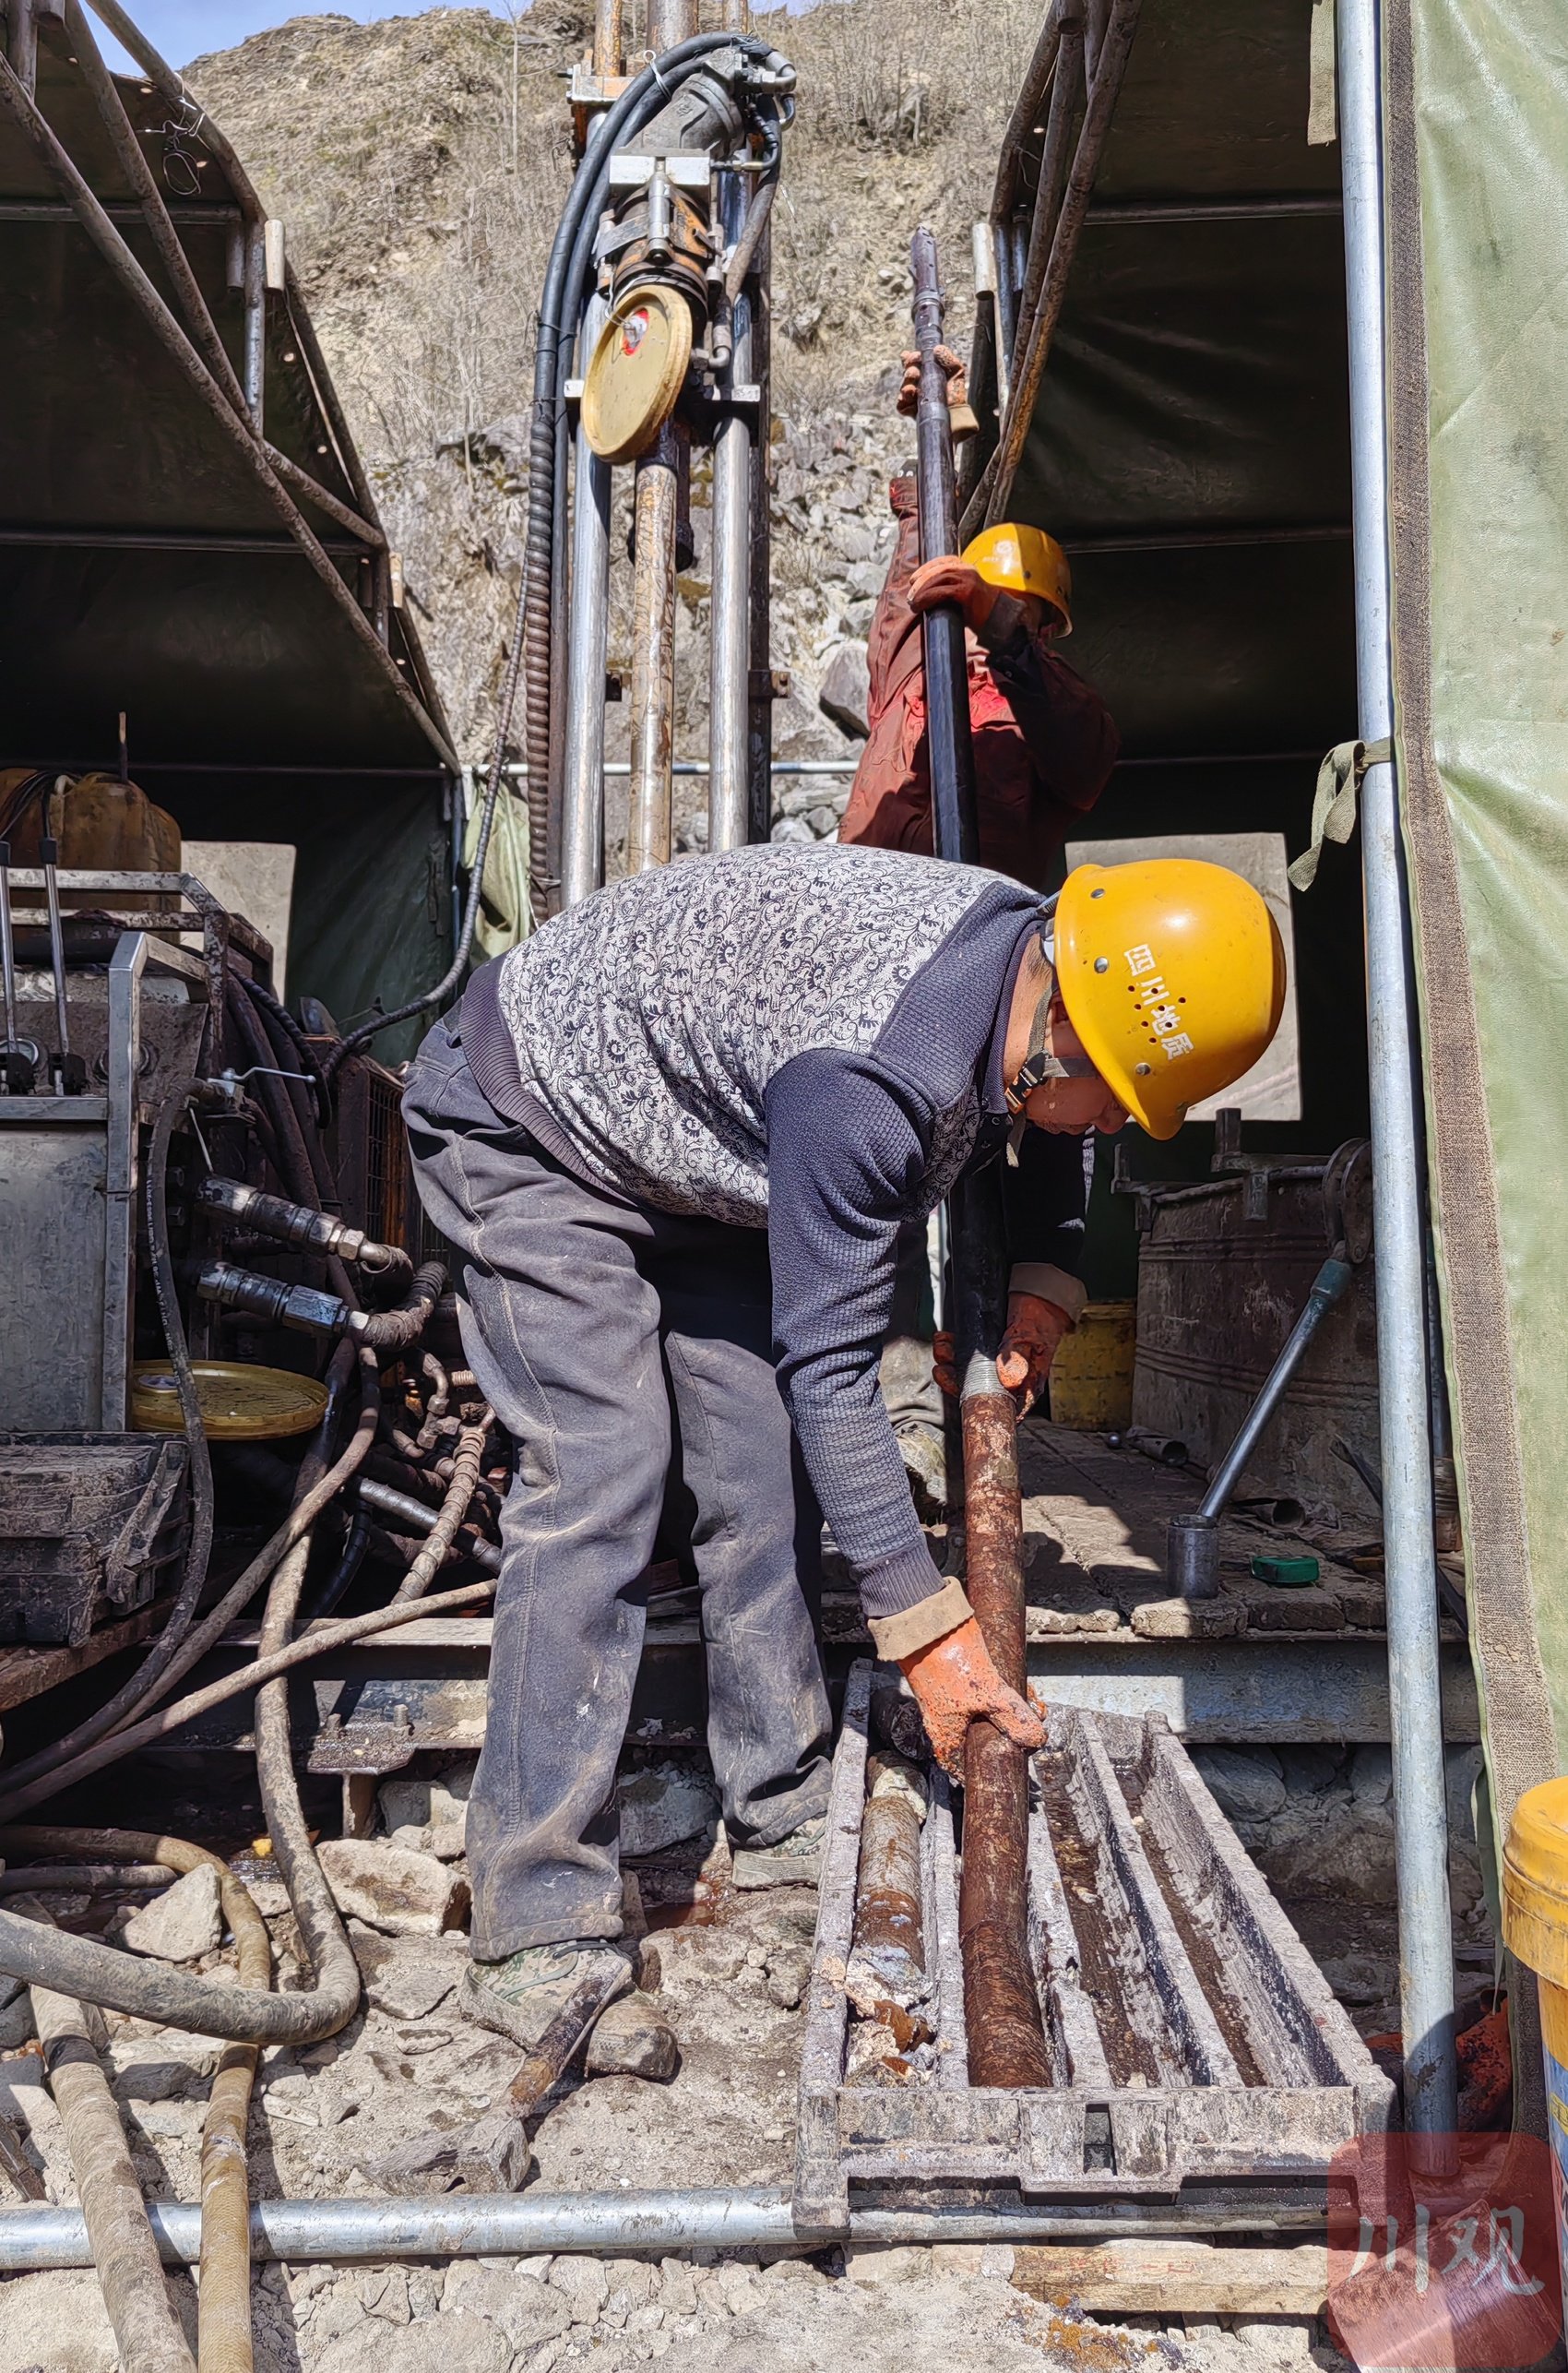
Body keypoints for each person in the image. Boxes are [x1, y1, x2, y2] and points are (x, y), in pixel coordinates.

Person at [403, 841, 1285, 2051]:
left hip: (699, 1156)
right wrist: (922, 1626)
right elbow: (837, 1371)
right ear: (1061, 1033)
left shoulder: (1040, 959)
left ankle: (776, 1812)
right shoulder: (876, 1080)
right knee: (606, 1464)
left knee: (758, 1469)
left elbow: (1058, 1134)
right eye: (1122, 1101)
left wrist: (1043, 1291)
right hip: (529, 1121)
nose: (1117, 1127)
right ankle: (535, 1918)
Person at [837, 347, 1123, 1506]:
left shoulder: (1044, 709)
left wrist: (1005, 635)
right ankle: (897, 1427)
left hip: (1000, 972)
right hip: (875, 959)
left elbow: (1088, 757)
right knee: (876, 1175)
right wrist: (938, 444)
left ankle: (997, 1370)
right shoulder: (912, 665)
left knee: (1053, 1109)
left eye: (1028, 624)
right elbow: (917, 580)